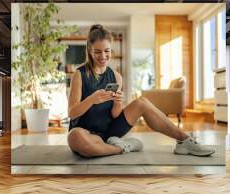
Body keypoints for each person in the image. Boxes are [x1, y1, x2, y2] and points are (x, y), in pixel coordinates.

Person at [67, 24, 215, 158]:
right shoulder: (80, 74)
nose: (103, 56)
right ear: (90, 51)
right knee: (75, 138)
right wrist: (92, 99)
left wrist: (118, 103)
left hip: (109, 132)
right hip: (85, 133)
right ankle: (122, 147)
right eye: (97, 52)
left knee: (142, 102)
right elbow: (72, 113)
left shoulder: (116, 77)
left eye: (107, 51)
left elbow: (115, 115)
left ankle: (184, 141)